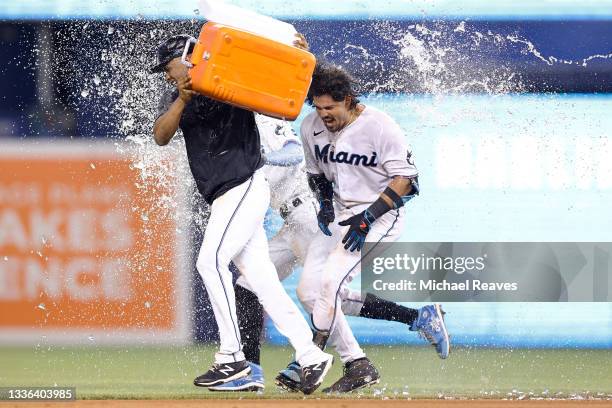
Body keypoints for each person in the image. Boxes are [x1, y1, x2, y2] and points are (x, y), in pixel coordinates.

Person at [211, 115, 450, 392]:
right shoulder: (234, 134)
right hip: (291, 223)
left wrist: (262, 157)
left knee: (318, 294)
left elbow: (291, 151)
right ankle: (253, 370)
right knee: (249, 285)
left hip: (310, 217)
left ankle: (350, 360)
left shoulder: (259, 121)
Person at [151, 34, 333, 395]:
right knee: (263, 282)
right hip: (223, 195)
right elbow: (160, 135)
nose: (166, 75)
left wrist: (294, 54)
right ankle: (311, 355)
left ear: (187, 57)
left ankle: (232, 358)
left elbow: (276, 84)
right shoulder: (178, 97)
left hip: (243, 184)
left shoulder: (226, 77)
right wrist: (183, 99)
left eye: (168, 66)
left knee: (209, 262)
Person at [273, 62, 450, 393]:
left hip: (381, 216)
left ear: (349, 100)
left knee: (329, 283)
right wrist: (325, 205)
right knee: (308, 293)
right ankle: (359, 362)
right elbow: (316, 175)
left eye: (331, 107)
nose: (324, 113)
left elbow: (407, 182)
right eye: (319, 106)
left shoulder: (380, 126)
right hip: (342, 215)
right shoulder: (311, 126)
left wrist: (368, 218)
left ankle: (309, 360)